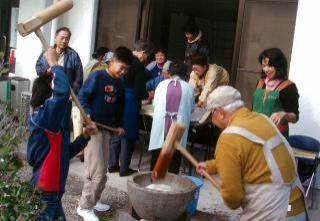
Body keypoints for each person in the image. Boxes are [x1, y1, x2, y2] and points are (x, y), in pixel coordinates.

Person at [196, 86, 307, 221]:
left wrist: (227, 195)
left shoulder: (229, 138)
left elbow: (233, 199)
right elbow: (251, 157)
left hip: (273, 212)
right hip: (295, 207)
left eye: (211, 116)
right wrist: (211, 166)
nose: (212, 122)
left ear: (220, 112)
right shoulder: (262, 119)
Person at [27, 48, 97, 221]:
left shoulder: (54, 124)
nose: (66, 100)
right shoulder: (44, 117)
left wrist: (85, 136)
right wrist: (54, 63)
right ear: (48, 96)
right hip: (46, 188)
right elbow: (63, 91)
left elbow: (66, 153)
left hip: (54, 189)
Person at [76, 46, 133, 221]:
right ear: (113, 61)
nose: (123, 72)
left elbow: (120, 107)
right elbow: (82, 97)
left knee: (102, 171)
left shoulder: (120, 83)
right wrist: (88, 116)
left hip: (107, 130)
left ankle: (95, 200)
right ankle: (84, 207)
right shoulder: (98, 76)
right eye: (121, 67)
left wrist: (119, 125)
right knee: (96, 171)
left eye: (126, 70)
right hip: (93, 130)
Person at [108, 40, 154, 177]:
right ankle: (124, 168)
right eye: (147, 56)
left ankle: (112, 165)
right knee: (128, 134)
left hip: (116, 95)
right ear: (143, 53)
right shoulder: (138, 65)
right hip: (130, 99)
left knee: (117, 130)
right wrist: (148, 95)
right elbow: (140, 91)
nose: (146, 59)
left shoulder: (122, 59)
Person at [35, 27, 84, 143]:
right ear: (56, 37)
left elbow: (79, 77)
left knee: (63, 126)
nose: (64, 41)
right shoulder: (47, 52)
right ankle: (47, 150)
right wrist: (47, 71)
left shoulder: (73, 55)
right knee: (47, 122)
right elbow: (38, 68)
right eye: (62, 38)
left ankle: (64, 152)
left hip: (64, 96)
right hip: (48, 95)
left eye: (67, 39)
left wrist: (73, 93)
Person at [149, 61, 195, 173]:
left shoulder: (161, 84)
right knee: (175, 152)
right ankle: (172, 179)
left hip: (161, 124)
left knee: (158, 151)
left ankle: (152, 178)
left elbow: (155, 104)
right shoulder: (189, 88)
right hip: (177, 126)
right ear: (185, 74)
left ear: (170, 73)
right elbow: (192, 108)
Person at [252, 48, 299, 139]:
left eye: (270, 66)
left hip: (277, 137)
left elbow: (295, 117)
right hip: (256, 133)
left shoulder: (289, 87)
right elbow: (254, 108)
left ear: (279, 65)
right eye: (263, 66)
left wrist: (284, 115)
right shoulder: (260, 83)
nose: (266, 69)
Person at [73, 46, 109, 162]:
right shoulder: (100, 68)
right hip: (86, 104)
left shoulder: (89, 64)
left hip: (78, 102)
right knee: (86, 131)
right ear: (102, 57)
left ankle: (80, 152)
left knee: (77, 128)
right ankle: (83, 153)